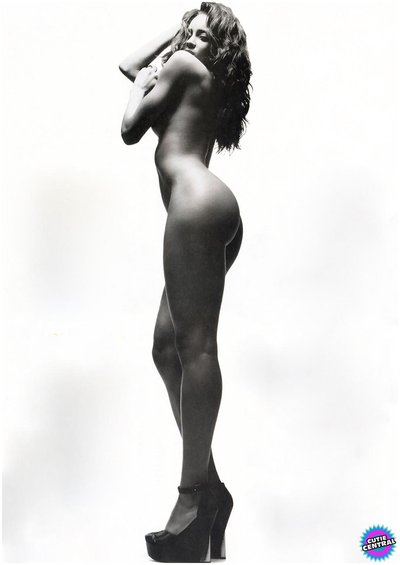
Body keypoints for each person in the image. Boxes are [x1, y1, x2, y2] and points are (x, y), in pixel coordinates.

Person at [120, 2, 252, 561]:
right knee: (166, 347)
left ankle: (191, 498)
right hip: (213, 207)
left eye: (204, 38)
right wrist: (176, 32)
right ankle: (211, 489)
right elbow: (131, 64)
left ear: (219, 51)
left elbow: (130, 128)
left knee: (195, 347)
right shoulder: (210, 82)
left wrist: (147, 76)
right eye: (189, 35)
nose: (192, 43)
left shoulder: (182, 68)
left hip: (194, 206)